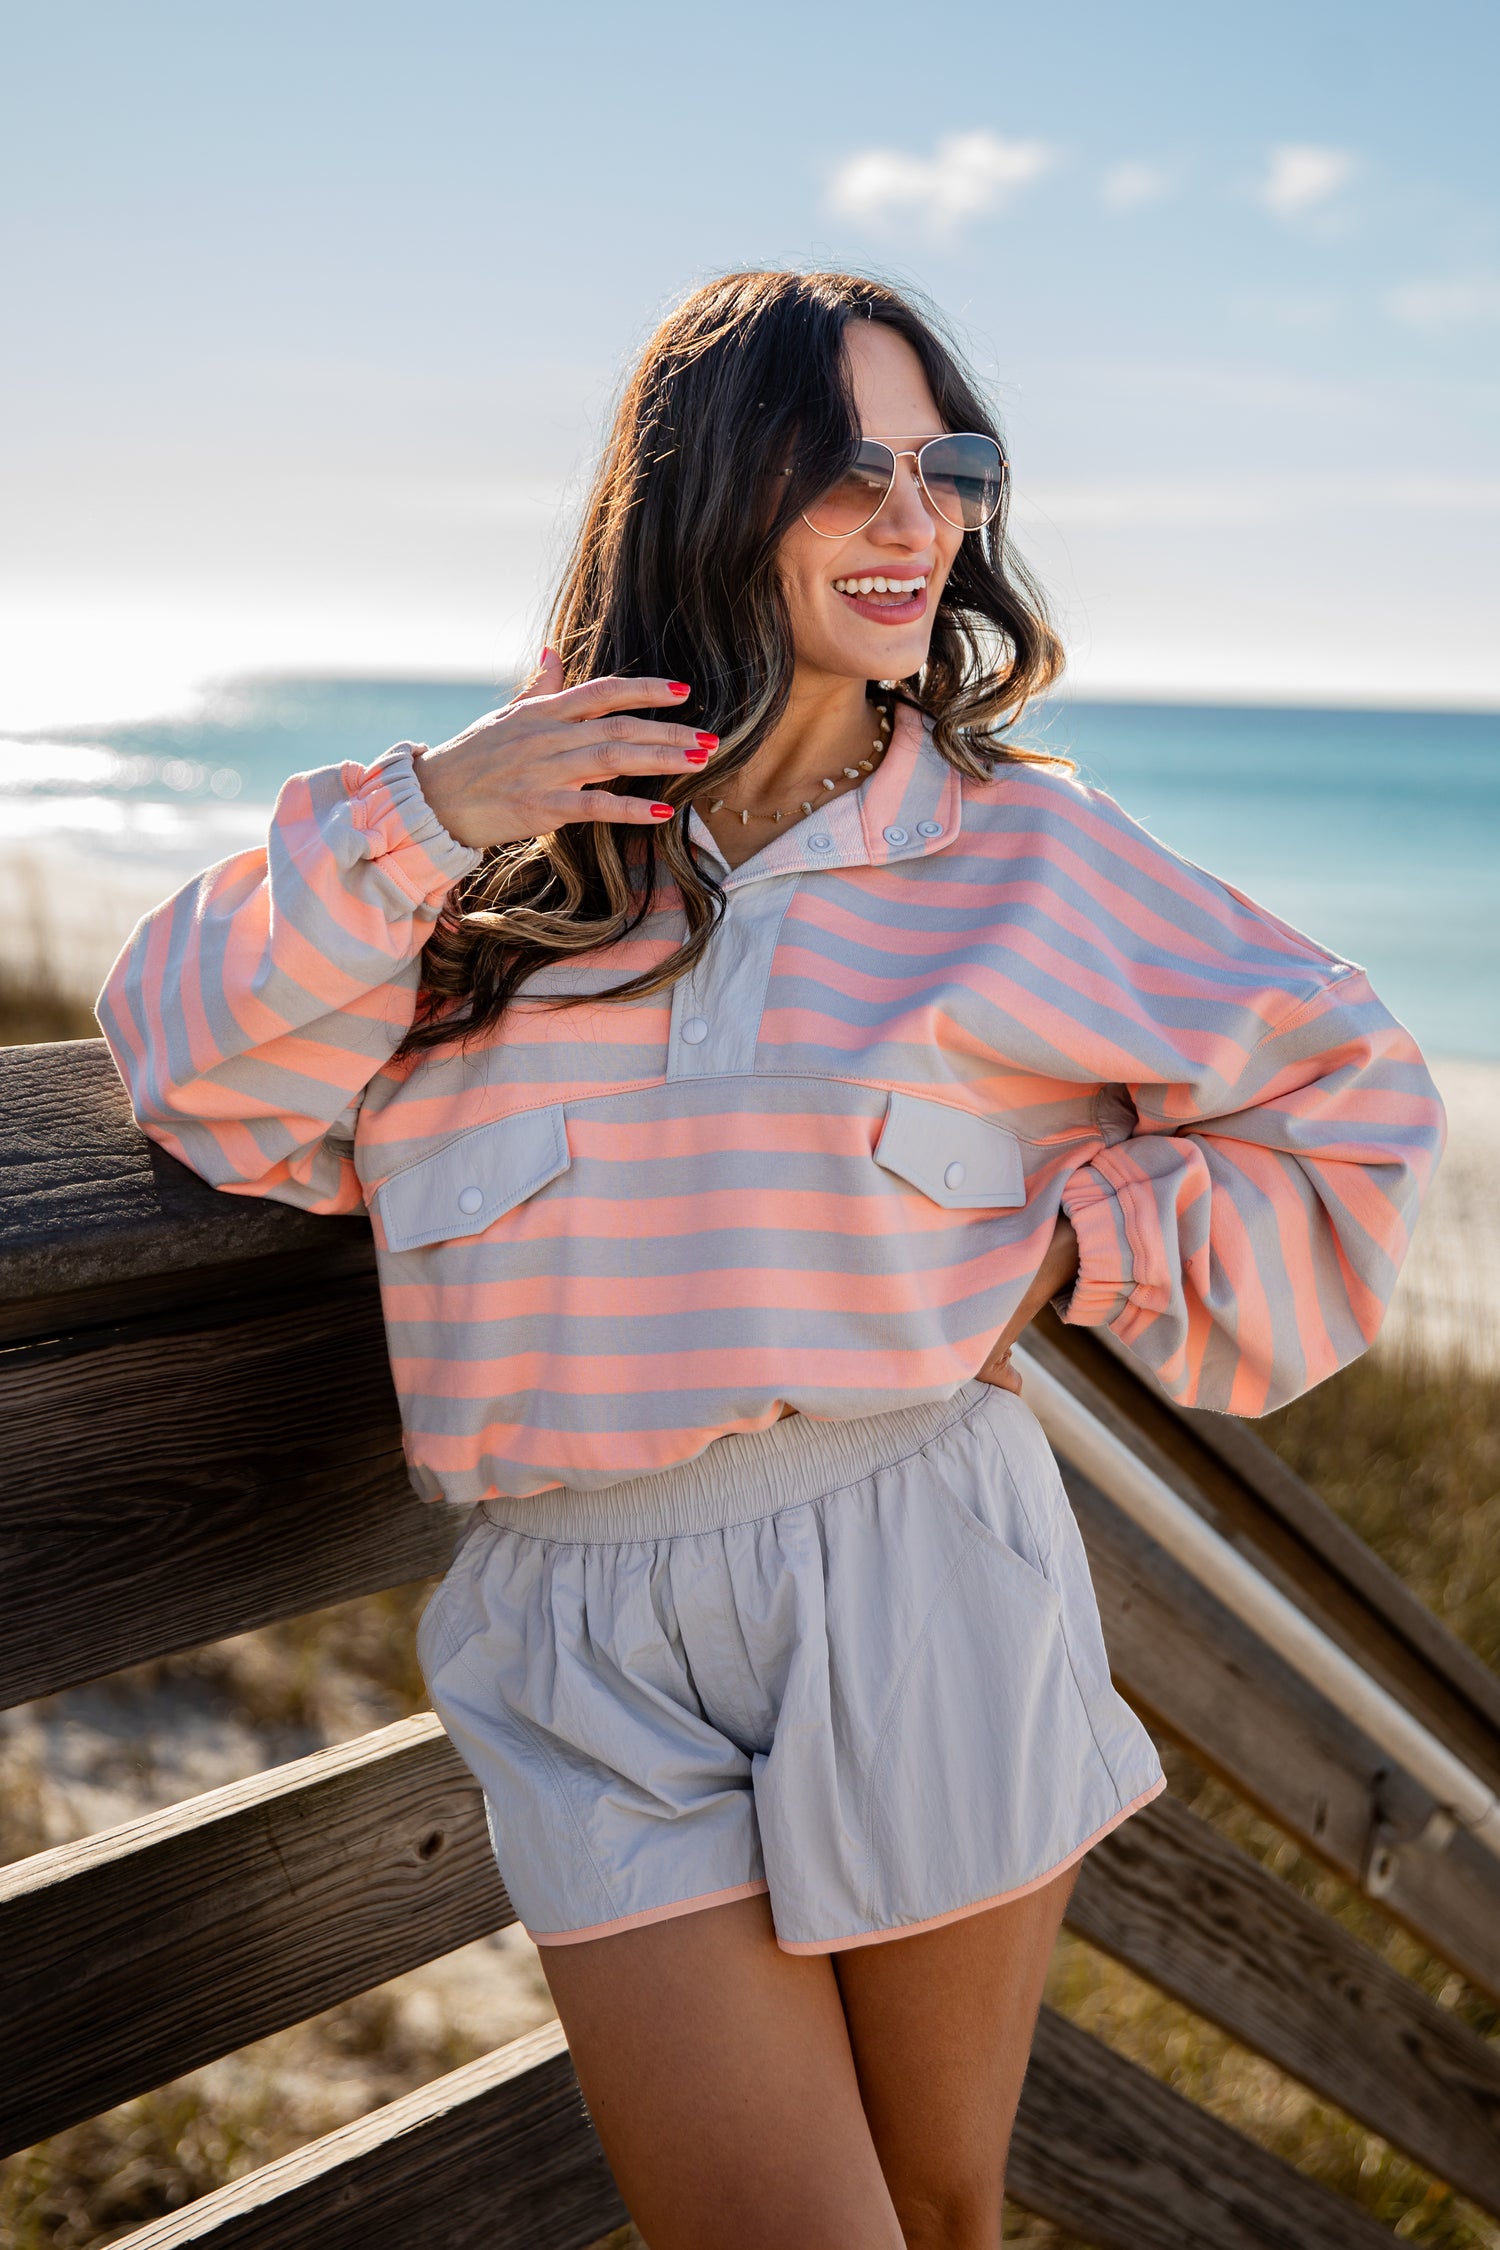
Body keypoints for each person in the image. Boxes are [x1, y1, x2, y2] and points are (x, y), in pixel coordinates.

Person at [98, 270, 1444, 2250]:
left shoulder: (1028, 861)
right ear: (710, 493)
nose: (917, 523)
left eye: (949, 467)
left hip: (914, 1573)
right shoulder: (498, 853)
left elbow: (1358, 1110)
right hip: (571, 1633)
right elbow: (186, 1064)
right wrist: (431, 809)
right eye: (847, 469)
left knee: (935, 2211)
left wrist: (1073, 1261)